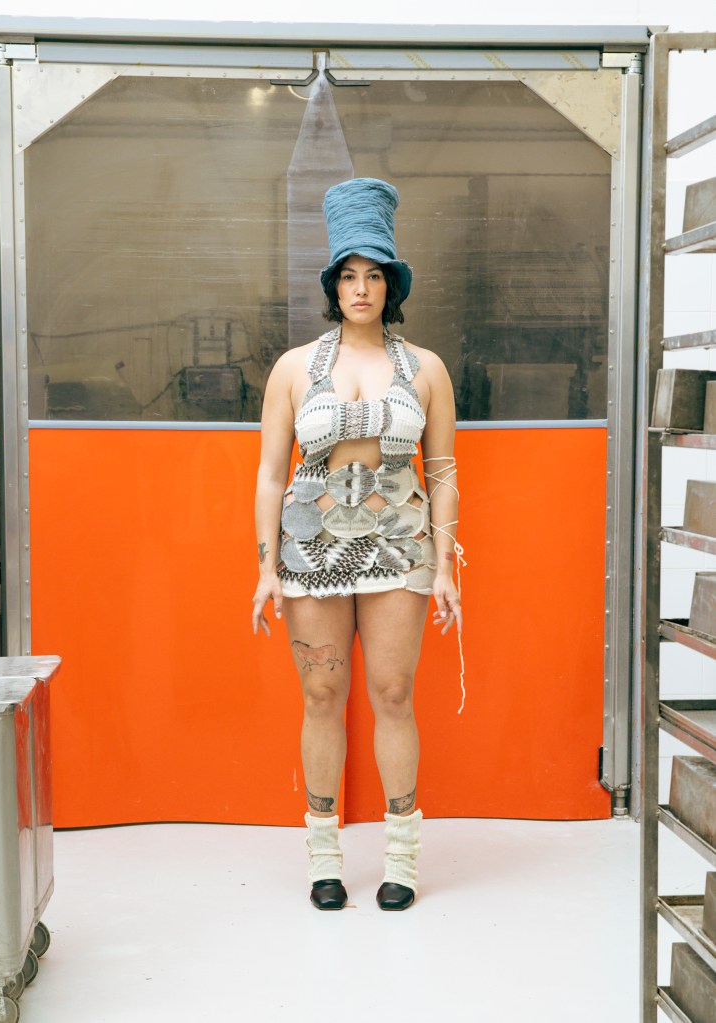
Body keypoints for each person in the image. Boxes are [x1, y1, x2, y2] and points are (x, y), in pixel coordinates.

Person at [252, 178, 462, 912]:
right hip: (309, 550)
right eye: (348, 275)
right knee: (321, 693)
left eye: (374, 274)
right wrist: (264, 568)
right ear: (332, 285)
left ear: (391, 284)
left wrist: (445, 566)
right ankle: (324, 857)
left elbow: (441, 473)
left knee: (394, 693)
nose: (361, 288)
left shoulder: (426, 368)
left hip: (401, 546)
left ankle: (401, 857)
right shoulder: (292, 368)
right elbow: (270, 474)